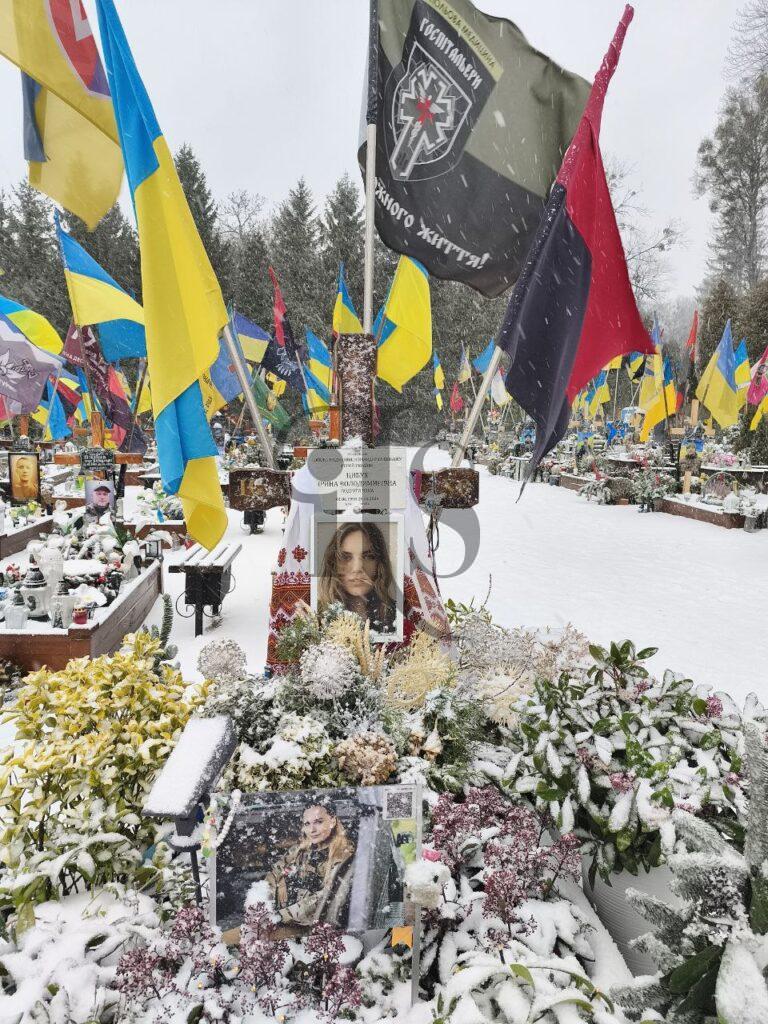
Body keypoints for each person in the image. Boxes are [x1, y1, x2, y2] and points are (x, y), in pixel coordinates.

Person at [265, 802, 355, 932]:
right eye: (307, 824)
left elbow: (325, 896)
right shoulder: (299, 850)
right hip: (288, 925)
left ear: (332, 821)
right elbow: (273, 874)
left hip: (319, 931)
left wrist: (282, 915)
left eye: (318, 822)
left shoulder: (343, 855)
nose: (312, 830)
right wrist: (279, 883)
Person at [318, 522, 396, 633]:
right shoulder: (316, 617)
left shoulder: (399, 616)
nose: (357, 568)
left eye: (368, 556)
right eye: (345, 557)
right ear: (333, 563)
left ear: (379, 563)